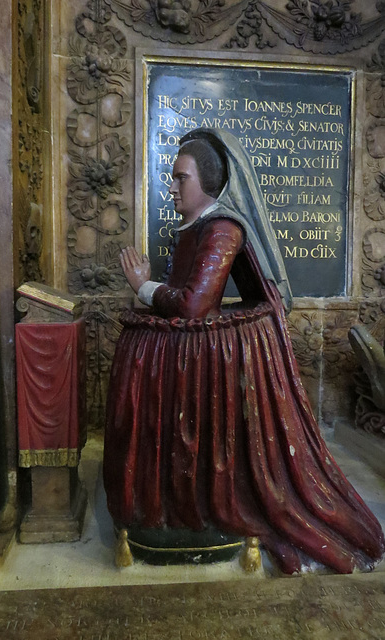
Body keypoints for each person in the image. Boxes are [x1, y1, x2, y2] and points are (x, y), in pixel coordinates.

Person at [103, 128, 384, 574]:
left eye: (181, 178)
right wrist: (157, 291)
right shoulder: (197, 225)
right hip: (190, 352)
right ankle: (167, 505)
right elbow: (187, 298)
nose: (172, 186)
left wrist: (144, 286)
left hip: (214, 352)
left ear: (209, 183)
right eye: (172, 178)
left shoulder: (223, 229)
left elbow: (195, 307)